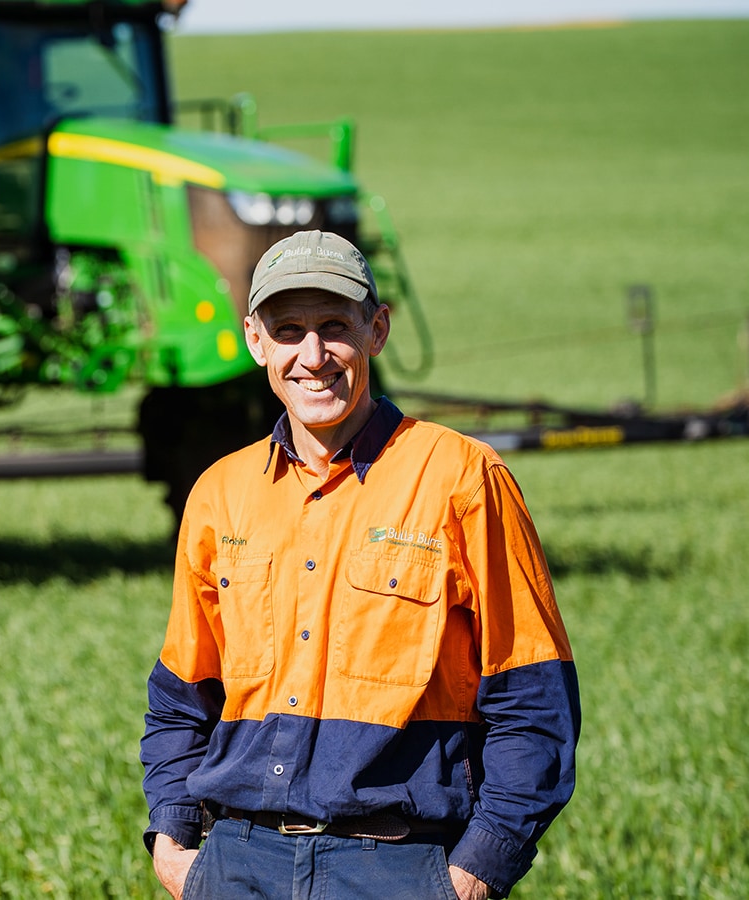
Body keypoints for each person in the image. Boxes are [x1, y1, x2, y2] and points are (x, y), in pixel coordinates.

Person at [140, 230, 579, 900]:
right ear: (255, 341)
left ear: (377, 329)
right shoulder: (219, 495)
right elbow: (181, 694)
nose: (311, 356)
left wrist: (475, 873)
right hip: (235, 865)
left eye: (334, 327)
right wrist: (175, 846)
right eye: (288, 330)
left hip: (399, 869)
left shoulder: (461, 478)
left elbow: (533, 700)